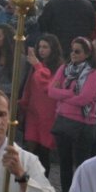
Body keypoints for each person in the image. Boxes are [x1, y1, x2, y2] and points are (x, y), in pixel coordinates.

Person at [48, 37, 96, 192]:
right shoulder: (64, 69)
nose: (73, 54)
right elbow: (51, 91)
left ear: (86, 54)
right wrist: (71, 93)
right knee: (64, 164)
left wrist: (62, 96)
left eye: (77, 51)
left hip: (83, 124)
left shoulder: (94, 73)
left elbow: (85, 98)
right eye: (72, 50)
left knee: (81, 165)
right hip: (63, 122)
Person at [18, 35, 61, 177]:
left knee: (44, 152)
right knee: (31, 149)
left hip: (48, 114)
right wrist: (24, 103)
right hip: (33, 112)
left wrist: (37, 65)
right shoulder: (36, 66)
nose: (41, 50)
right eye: (40, 47)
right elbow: (29, 86)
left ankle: (42, 181)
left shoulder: (58, 67)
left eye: (45, 47)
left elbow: (46, 85)